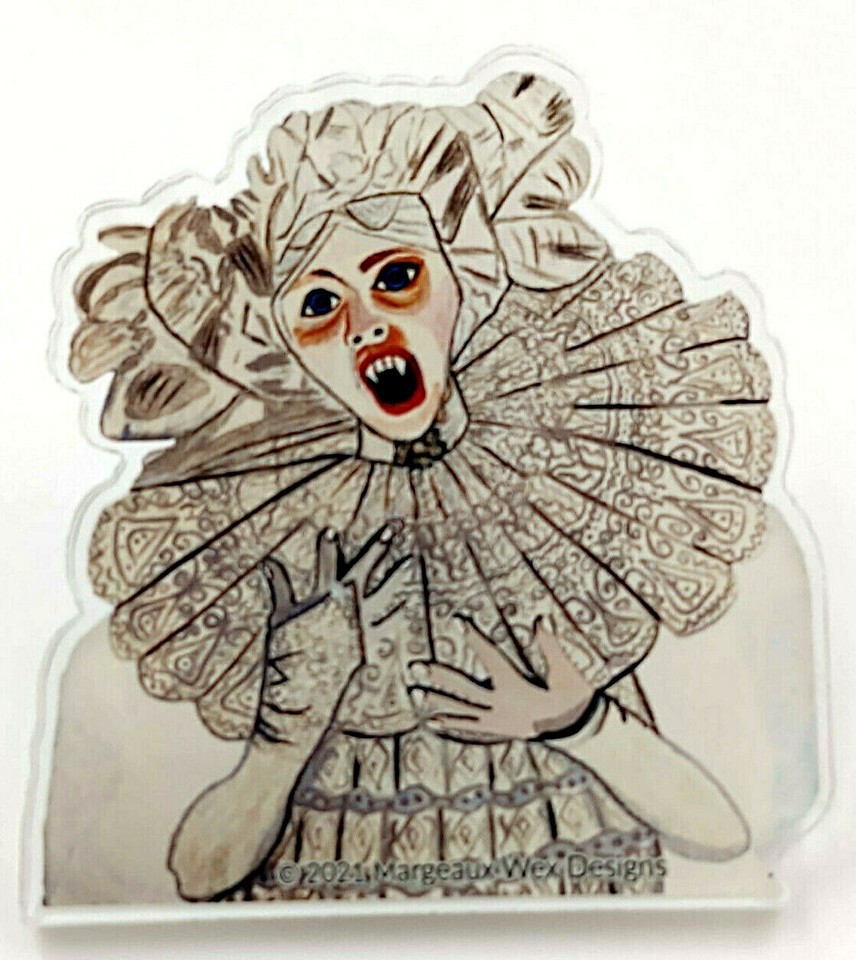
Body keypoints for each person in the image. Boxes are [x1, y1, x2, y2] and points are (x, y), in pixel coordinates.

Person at [57, 72, 776, 902]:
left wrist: (580, 723)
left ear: (463, 277)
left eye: (397, 278)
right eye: (319, 303)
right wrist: (284, 736)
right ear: (282, 345)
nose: (366, 325)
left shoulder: (556, 495)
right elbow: (196, 874)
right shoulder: (274, 534)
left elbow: (722, 837)